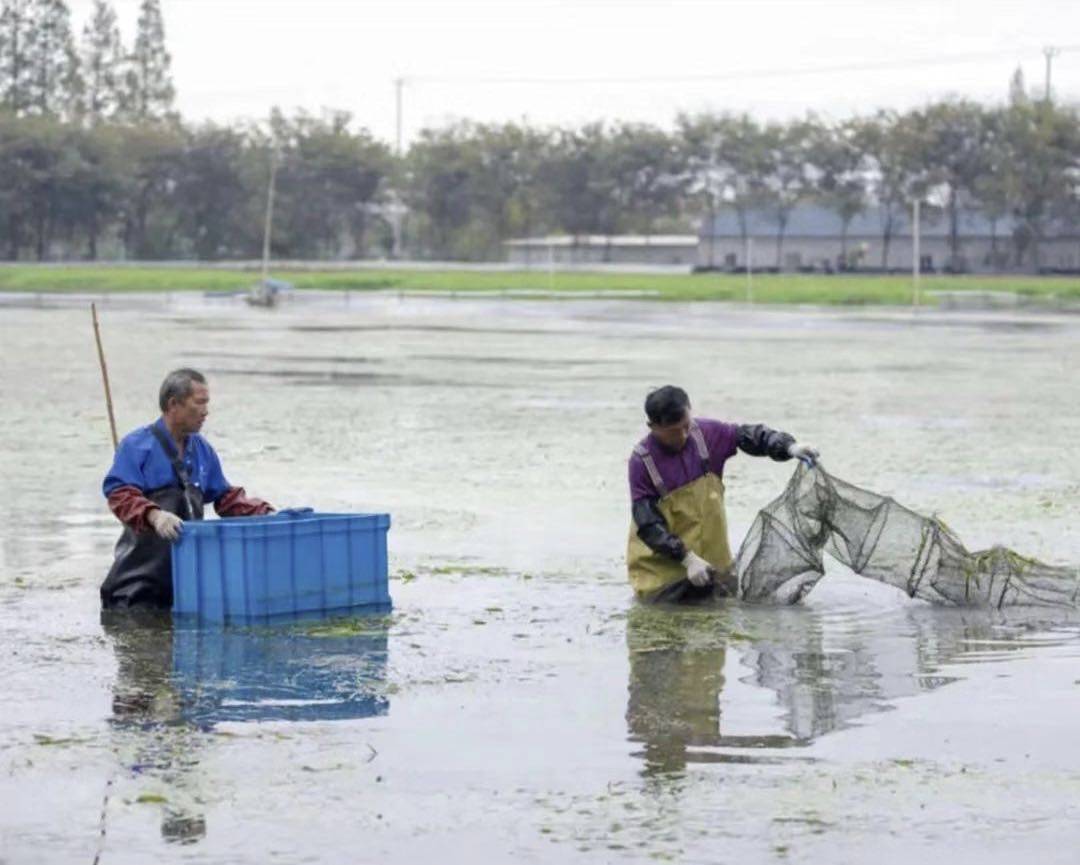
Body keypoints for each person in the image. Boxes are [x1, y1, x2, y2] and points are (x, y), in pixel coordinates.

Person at [626, 385, 819, 603]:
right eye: (672, 432)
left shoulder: (707, 435)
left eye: (686, 426)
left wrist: (789, 447)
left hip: (713, 568)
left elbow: (749, 436)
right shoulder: (642, 462)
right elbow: (649, 525)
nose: (682, 436)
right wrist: (687, 559)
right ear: (652, 427)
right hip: (663, 578)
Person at [100, 368, 274, 610]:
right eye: (199, 403)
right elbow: (119, 495)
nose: (206, 411)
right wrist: (154, 515)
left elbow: (225, 498)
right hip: (135, 590)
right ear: (173, 404)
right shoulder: (136, 446)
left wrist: (265, 514)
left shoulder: (202, 449)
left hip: (183, 587)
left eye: (207, 403)